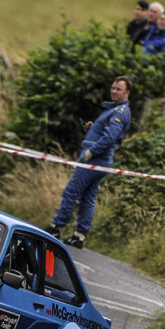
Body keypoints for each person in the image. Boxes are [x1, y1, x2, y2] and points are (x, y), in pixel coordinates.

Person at [45, 76, 133, 248]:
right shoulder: (115, 109)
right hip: (101, 160)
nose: (114, 91)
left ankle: (56, 227)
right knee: (88, 197)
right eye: (113, 88)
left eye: (119, 89)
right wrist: (93, 128)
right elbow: (106, 132)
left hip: (95, 159)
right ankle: (79, 235)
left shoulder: (119, 112)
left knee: (72, 191)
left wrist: (92, 152)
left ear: (127, 93)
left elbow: (110, 137)